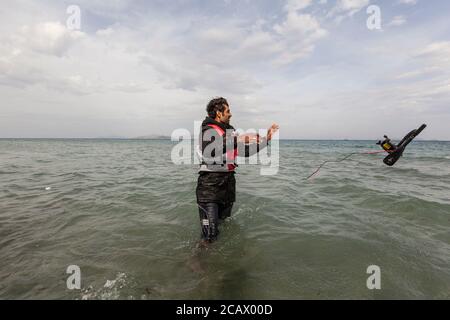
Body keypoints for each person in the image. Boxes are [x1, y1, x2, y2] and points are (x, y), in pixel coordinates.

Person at [196, 97, 279, 245]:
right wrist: (238, 139)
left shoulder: (229, 132)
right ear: (218, 113)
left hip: (227, 188)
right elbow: (209, 149)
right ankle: (196, 264)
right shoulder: (207, 130)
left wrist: (266, 140)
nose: (231, 114)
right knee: (210, 236)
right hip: (209, 189)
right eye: (228, 111)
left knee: (221, 230)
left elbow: (245, 152)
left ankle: (216, 265)